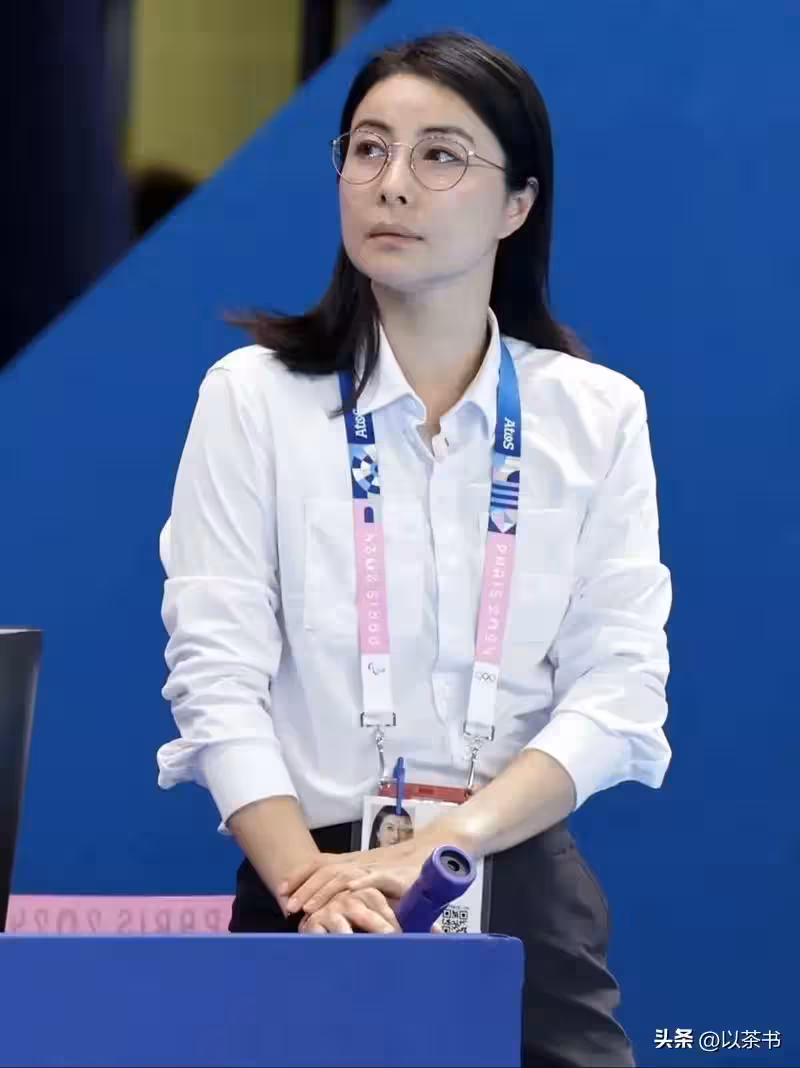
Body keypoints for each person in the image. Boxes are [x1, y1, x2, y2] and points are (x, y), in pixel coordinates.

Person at [157, 30, 672, 1068]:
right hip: (306, 879)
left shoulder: (596, 416)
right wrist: (310, 884)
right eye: (368, 149)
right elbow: (214, 676)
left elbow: (619, 691)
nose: (391, 183)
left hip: (510, 875)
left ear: (517, 204)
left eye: (440, 155)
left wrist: (447, 843)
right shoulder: (253, 399)